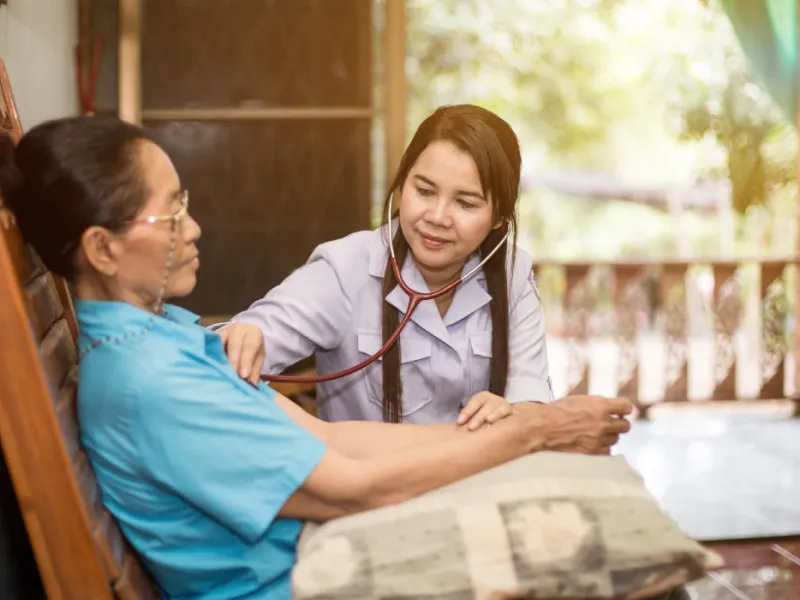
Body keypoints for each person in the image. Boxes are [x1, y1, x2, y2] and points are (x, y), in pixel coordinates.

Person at [0, 117, 634, 599]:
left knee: (603, 531)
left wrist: (528, 426)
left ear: (498, 218)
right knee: (612, 564)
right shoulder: (148, 379)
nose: (193, 229)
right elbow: (347, 482)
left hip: (348, 526)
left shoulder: (165, 333)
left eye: (467, 203)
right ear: (103, 251)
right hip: (314, 564)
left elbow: (329, 438)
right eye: (173, 215)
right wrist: (536, 432)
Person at [218, 104, 612, 429]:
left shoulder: (513, 276)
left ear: (498, 218)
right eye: (423, 191)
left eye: (466, 203)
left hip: (477, 490)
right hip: (369, 500)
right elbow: (229, 350)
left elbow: (531, 402)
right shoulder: (344, 269)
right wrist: (243, 338)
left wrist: (510, 412)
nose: (437, 216)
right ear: (402, 183)